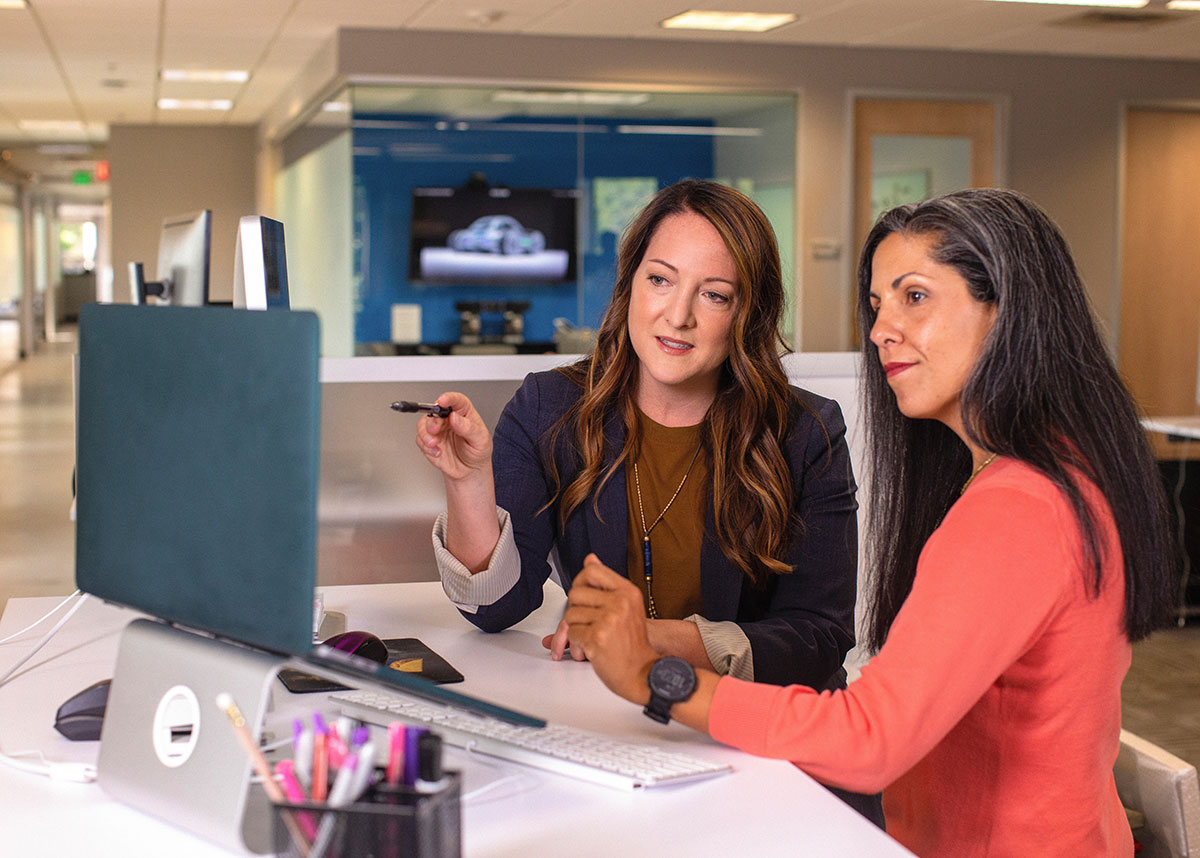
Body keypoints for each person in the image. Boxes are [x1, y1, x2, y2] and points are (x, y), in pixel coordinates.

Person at [563, 188, 1178, 856]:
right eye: (879, 304)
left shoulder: (1019, 508)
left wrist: (655, 677)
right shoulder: (1059, 471)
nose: (882, 329)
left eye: (915, 297)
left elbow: (870, 740)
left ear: (1007, 312)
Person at [416, 179, 882, 823]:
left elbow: (819, 637)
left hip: (766, 749)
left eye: (713, 295)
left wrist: (655, 643)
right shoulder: (550, 407)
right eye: (661, 280)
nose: (678, 315)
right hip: (619, 738)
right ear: (630, 283)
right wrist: (468, 480)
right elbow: (497, 608)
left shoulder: (806, 430)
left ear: (749, 313)